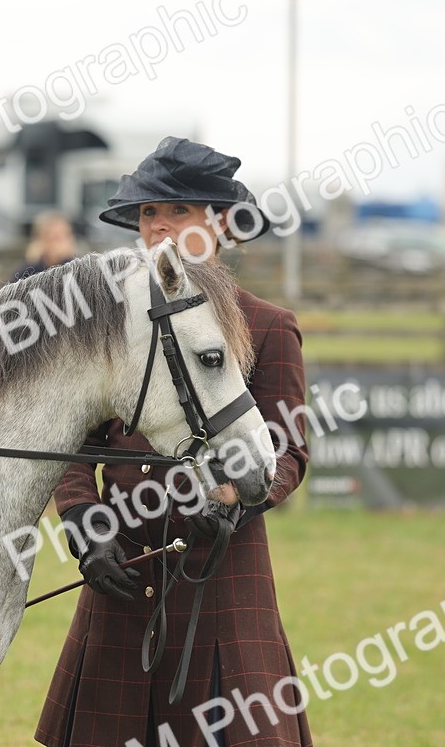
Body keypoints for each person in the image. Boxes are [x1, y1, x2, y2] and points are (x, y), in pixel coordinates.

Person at [35, 138, 313, 747]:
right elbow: (75, 444)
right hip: (123, 570)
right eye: (148, 213)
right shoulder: (109, 325)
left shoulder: (268, 326)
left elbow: (289, 450)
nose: (159, 226)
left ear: (222, 224)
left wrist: (236, 501)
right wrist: (86, 525)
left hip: (220, 576)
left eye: (178, 211)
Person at [10, 212, 76, 282]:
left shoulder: (76, 269)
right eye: (54, 237)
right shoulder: (28, 271)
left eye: (64, 236)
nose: (60, 244)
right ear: (41, 240)